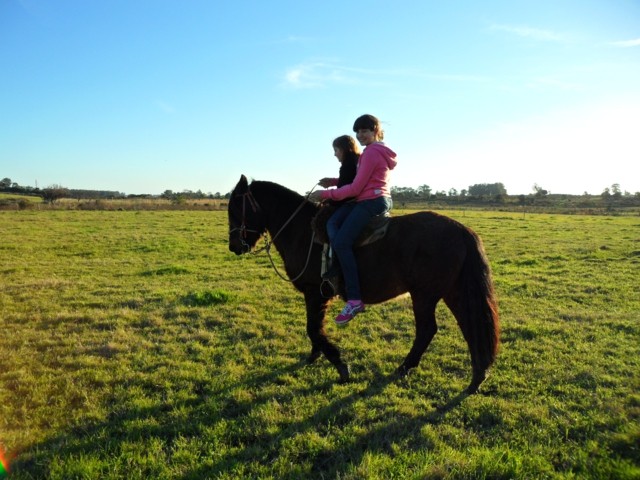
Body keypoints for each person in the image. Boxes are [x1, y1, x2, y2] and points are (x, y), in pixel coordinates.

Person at [310, 114, 397, 326]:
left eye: (365, 131)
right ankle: (337, 267)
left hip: (370, 201)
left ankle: (355, 299)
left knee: (341, 241)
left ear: (376, 130)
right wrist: (334, 181)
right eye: (357, 132)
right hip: (373, 198)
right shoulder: (374, 152)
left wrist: (326, 195)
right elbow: (360, 180)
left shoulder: (371, 153)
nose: (360, 135)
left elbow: (356, 188)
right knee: (334, 224)